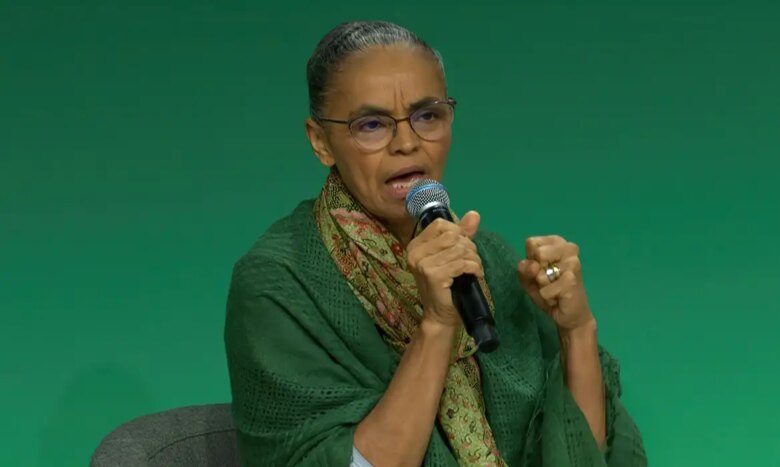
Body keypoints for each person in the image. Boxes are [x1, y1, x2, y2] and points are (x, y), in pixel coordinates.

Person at [223, 20, 647, 467]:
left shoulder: (489, 262)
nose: (407, 143)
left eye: (427, 116)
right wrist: (437, 325)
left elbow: (579, 452)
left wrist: (576, 330)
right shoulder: (276, 282)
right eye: (371, 125)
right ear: (320, 141)